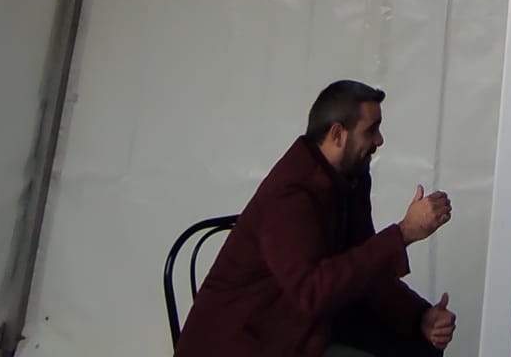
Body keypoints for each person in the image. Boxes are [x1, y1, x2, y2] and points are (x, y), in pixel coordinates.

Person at [176, 80, 457, 357]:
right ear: (337, 134)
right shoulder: (290, 193)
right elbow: (312, 291)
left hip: (299, 330)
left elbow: (363, 271)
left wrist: (420, 315)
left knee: (419, 349)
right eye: (371, 130)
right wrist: (403, 233)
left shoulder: (351, 178)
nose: (379, 140)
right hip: (246, 342)